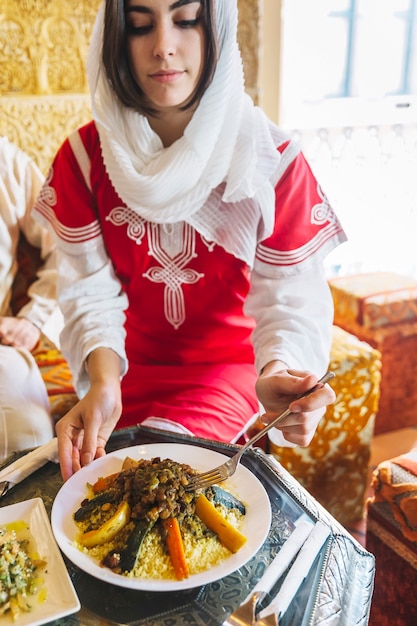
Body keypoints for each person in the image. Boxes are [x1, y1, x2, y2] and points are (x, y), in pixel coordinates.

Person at [34, 0, 346, 481]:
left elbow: (287, 302)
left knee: (161, 484)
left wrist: (280, 371)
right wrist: (101, 382)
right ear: (116, 37)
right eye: (140, 25)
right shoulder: (82, 159)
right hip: (119, 369)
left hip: (226, 371)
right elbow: (89, 292)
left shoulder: (271, 162)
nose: (163, 47)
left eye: (186, 21)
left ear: (217, 28)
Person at [0, 136, 61, 460]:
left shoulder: (6, 163)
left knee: (33, 446)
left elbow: (66, 244)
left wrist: (34, 317)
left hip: (0, 348)